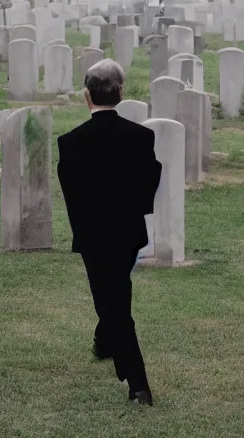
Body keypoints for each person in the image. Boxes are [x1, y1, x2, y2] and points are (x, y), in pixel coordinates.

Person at [57, 59, 162, 405]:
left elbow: (71, 192)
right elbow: (150, 180)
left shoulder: (71, 144)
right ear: (121, 92)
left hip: (93, 236)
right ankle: (104, 342)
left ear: (86, 96)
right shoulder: (141, 137)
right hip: (128, 233)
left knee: (115, 305)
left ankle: (138, 385)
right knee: (115, 291)